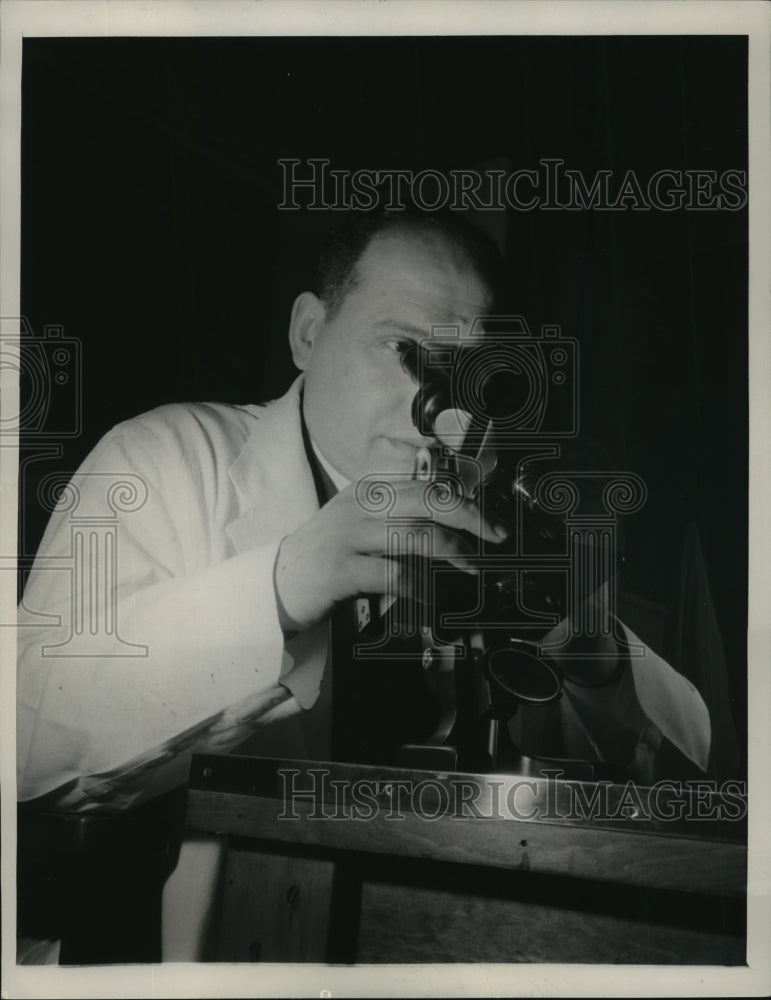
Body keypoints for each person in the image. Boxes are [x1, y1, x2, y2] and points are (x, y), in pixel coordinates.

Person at [17, 210, 710, 961]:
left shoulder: (483, 507)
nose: (445, 410)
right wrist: (281, 585)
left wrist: (587, 648)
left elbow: (694, 763)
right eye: (403, 348)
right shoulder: (166, 459)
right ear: (308, 334)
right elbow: (26, 747)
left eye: (473, 372)